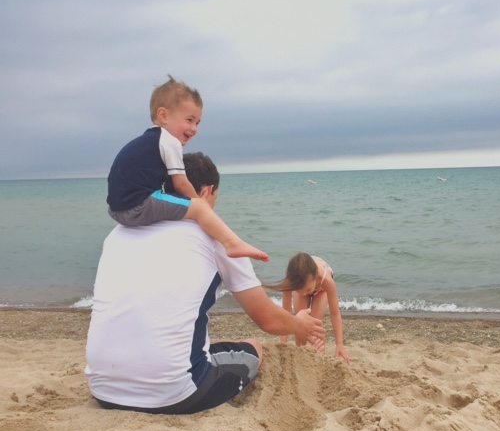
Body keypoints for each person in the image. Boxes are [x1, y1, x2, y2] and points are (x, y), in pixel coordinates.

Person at [85, 152, 324, 414]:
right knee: (253, 348)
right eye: (216, 198)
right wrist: (300, 325)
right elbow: (268, 320)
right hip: (176, 394)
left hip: (103, 390)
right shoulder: (218, 239)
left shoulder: (118, 232)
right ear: (208, 191)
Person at [107, 75, 267, 262]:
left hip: (117, 210)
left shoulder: (148, 141)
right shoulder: (169, 142)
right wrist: (202, 209)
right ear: (163, 115)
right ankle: (232, 243)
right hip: (137, 207)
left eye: (197, 123)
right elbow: (181, 184)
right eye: (189, 120)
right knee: (199, 207)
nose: (194, 129)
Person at [268, 253, 350, 364]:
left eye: (307, 290)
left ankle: (319, 358)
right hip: (302, 282)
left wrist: (339, 344)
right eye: (299, 290)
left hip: (321, 290)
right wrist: (283, 343)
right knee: (300, 326)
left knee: (314, 326)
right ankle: (302, 359)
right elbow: (286, 313)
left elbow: (335, 313)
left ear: (315, 278)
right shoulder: (291, 281)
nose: (303, 294)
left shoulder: (326, 280)